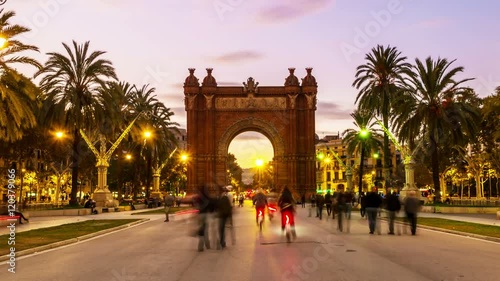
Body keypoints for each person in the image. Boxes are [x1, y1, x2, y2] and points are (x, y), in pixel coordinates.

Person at [194, 185, 212, 252]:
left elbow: (196, 205)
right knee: (205, 230)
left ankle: (201, 247)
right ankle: (207, 245)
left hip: (200, 214)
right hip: (205, 215)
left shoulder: (199, 197)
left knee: (201, 230)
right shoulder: (207, 197)